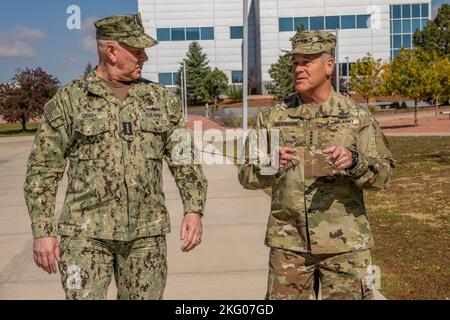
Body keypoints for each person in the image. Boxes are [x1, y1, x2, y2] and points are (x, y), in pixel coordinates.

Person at [23, 13, 207, 300]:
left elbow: (185, 160)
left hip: (146, 235)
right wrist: (43, 231)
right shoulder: (70, 100)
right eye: (136, 51)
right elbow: (42, 170)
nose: (144, 57)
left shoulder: (160, 99)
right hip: (84, 237)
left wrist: (194, 209)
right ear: (111, 51)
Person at [238, 30, 394, 300]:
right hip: (289, 244)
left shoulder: (357, 118)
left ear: (329, 66)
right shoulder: (273, 117)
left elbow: (385, 174)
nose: (298, 69)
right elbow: (245, 175)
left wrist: (355, 162)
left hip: (345, 246)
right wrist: (269, 165)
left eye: (307, 61)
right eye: (295, 62)